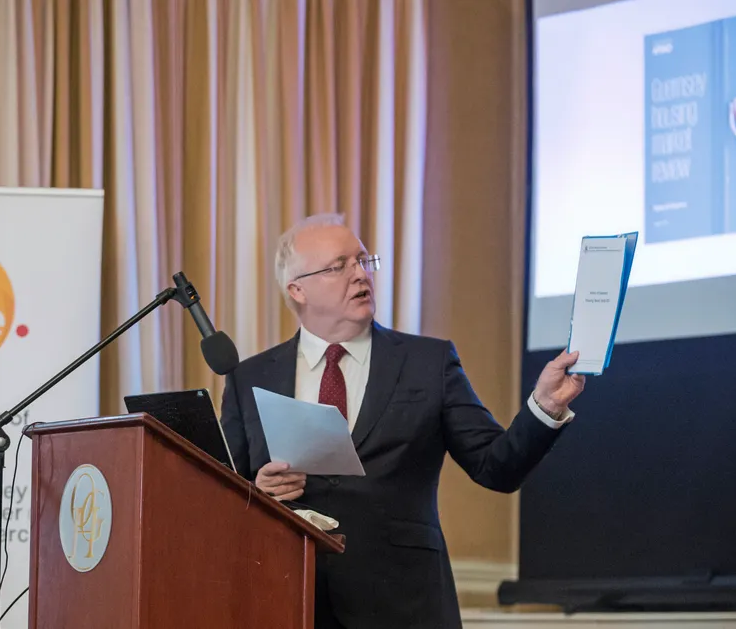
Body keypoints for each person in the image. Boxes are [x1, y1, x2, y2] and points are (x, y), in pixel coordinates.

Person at [220, 213, 585, 629]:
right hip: (290, 601)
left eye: (362, 261)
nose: (360, 275)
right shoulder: (249, 378)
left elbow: (495, 466)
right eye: (340, 266)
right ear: (297, 289)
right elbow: (223, 494)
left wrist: (544, 406)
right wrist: (258, 490)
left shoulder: (428, 363)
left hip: (405, 603)